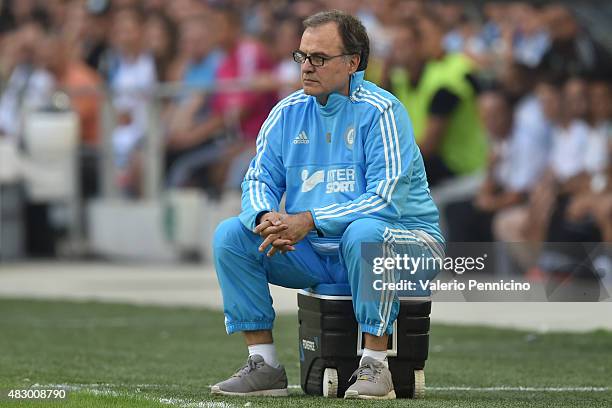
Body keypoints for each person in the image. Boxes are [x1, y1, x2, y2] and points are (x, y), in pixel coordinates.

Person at [211, 10, 443, 400]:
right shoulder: (286, 113)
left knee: (365, 233)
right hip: (320, 248)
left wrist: (310, 220)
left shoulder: (382, 112)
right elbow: (257, 179)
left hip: (408, 244)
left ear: (352, 63)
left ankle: (375, 364)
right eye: (301, 56)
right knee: (232, 234)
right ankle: (263, 363)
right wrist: (266, 217)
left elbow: (385, 201)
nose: (306, 67)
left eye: (319, 58)